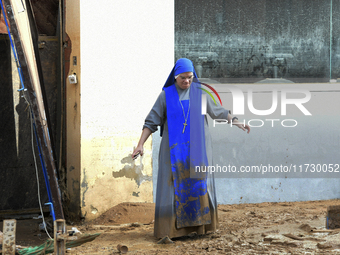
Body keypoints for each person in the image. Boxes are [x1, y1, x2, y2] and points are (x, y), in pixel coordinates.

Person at [132, 58, 250, 241]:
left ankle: (200, 228)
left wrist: (236, 121)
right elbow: (151, 121)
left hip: (197, 149)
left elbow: (217, 111)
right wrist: (140, 144)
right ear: (175, 77)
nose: (187, 82)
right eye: (183, 79)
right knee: (173, 186)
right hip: (173, 152)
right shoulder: (166, 95)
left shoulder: (200, 93)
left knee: (198, 184)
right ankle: (171, 231)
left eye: (190, 78)